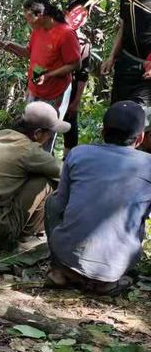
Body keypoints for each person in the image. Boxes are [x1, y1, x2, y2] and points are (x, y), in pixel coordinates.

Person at [45, 101, 151, 295]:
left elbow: (60, 204)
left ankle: (59, 271)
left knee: (53, 201)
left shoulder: (79, 153)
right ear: (140, 138)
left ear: (103, 131)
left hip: (68, 257)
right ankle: (107, 283)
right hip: (115, 268)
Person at [0, 102, 67, 251]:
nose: (50, 138)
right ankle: (24, 237)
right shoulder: (29, 151)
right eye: (49, 134)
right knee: (45, 182)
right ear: (37, 133)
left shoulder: (1, 136)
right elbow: (66, 173)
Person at [2, 0, 81, 149]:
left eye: (28, 18)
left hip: (55, 93)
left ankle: (42, 166)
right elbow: (29, 53)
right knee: (28, 132)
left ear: (40, 15)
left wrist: (49, 75)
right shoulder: (38, 30)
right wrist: (12, 46)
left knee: (45, 136)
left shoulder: (65, 34)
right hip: (35, 88)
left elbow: (75, 64)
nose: (27, 22)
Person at [101, 0, 151, 106]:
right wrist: (111, 57)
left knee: (138, 117)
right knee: (116, 113)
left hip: (147, 70)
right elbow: (124, 27)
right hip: (125, 65)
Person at [63, 0, 92, 157]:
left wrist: (76, 102)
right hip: (48, 91)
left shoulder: (83, 42)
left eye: (85, 15)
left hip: (70, 93)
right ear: (66, 13)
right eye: (77, 13)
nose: (80, 18)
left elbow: (83, 74)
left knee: (70, 131)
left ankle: (66, 168)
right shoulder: (52, 33)